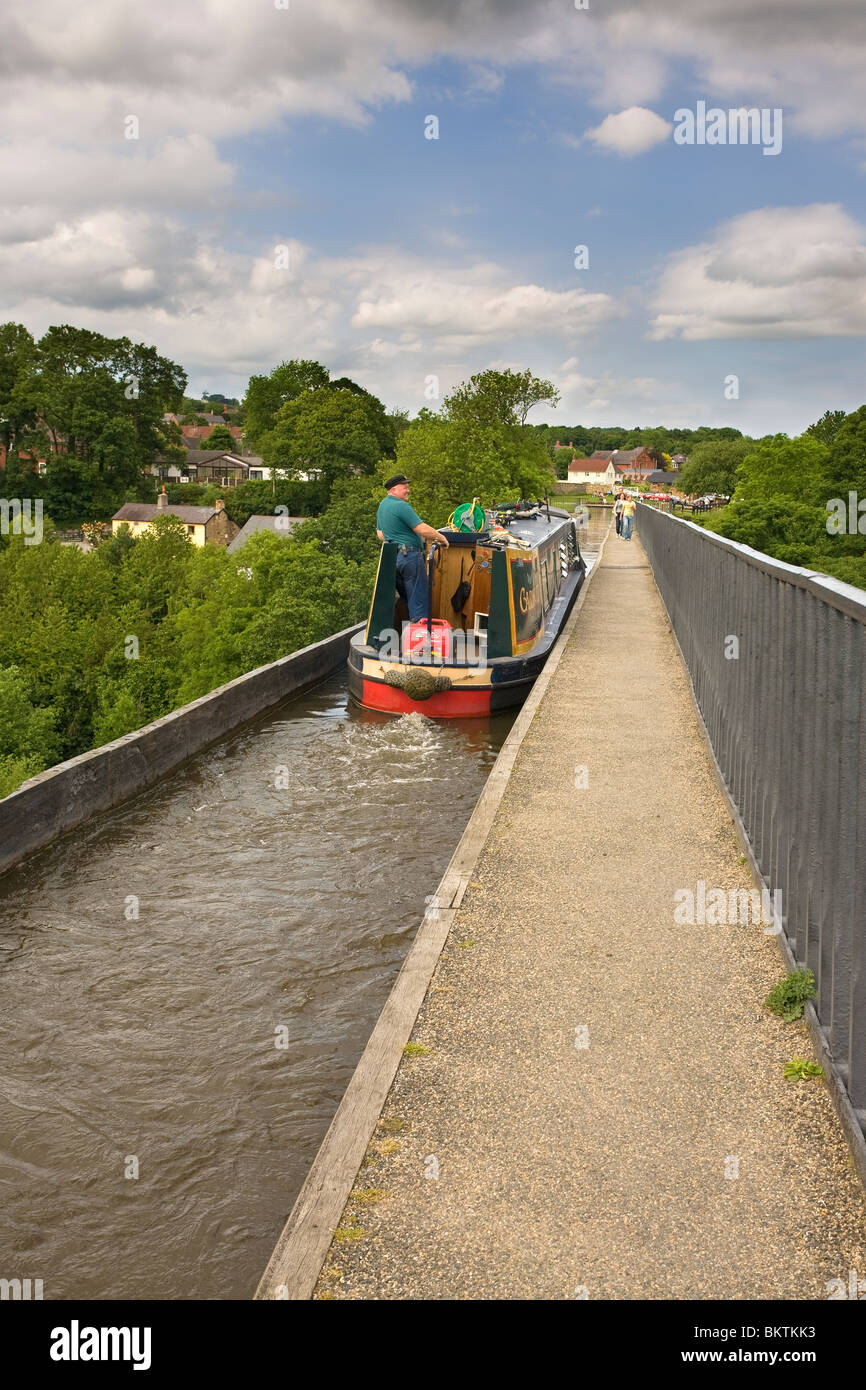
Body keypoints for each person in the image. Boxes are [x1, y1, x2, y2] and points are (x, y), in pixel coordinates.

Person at [376, 475, 450, 621]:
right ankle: (421, 641)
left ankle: (409, 636)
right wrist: (441, 538)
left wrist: (399, 536)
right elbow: (422, 529)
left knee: (407, 600)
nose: (408, 490)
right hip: (410, 557)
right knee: (419, 602)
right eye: (405, 487)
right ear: (394, 490)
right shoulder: (401, 506)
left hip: (393, 559)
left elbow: (381, 535)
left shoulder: (383, 506)